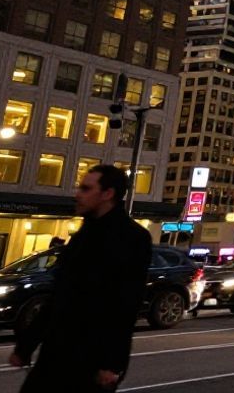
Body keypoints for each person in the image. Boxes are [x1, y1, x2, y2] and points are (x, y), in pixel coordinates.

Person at [9, 164, 151, 392]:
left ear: (108, 194)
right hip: (56, 350)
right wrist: (25, 346)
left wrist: (112, 363)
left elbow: (126, 304)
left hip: (92, 358)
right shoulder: (83, 236)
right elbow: (58, 296)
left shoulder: (132, 238)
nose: (78, 194)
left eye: (86, 189)